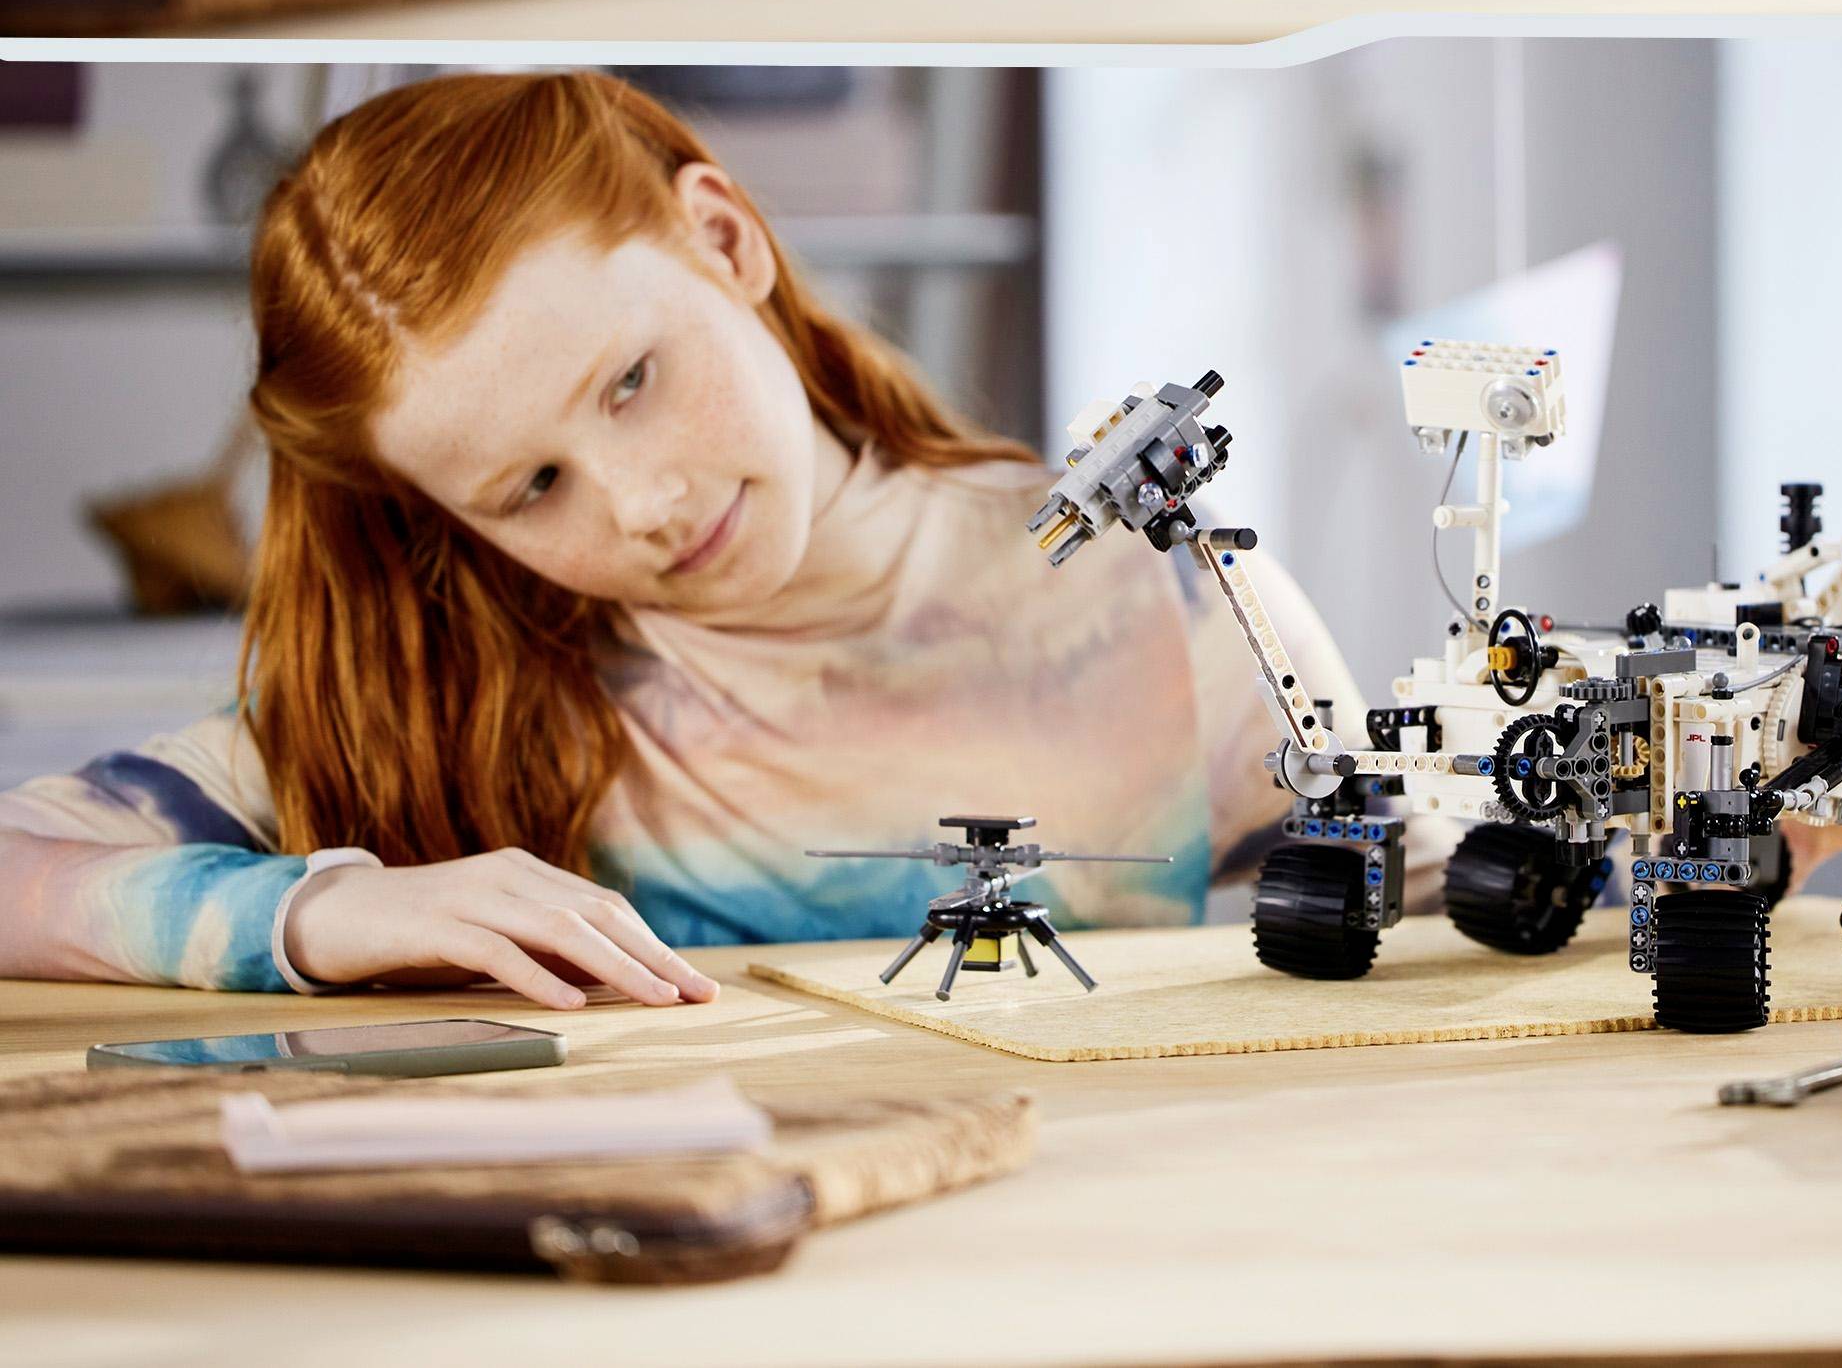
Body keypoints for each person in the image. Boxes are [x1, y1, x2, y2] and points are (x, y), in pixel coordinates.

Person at [0, 72, 1374, 1006]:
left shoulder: (1176, 604)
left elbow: (1419, 968)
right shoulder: (442, 703)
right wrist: (308, 917)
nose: (642, 506)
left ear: (723, 240)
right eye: (531, 487)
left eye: (633, 381)